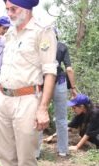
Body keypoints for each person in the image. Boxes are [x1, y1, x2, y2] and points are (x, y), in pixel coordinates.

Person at [0, 0, 57, 166]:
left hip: (28, 100)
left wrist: (43, 108)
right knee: (5, 155)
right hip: (4, 98)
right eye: (7, 9)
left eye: (14, 9)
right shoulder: (9, 34)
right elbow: (8, 71)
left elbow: (49, 72)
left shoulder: (42, 32)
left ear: (27, 9)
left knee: (25, 157)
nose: (9, 13)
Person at [36, 29, 78, 158]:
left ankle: (35, 152)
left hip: (43, 83)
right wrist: (73, 88)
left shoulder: (40, 46)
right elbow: (69, 69)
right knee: (61, 118)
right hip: (60, 81)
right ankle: (63, 150)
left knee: (38, 115)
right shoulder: (62, 46)